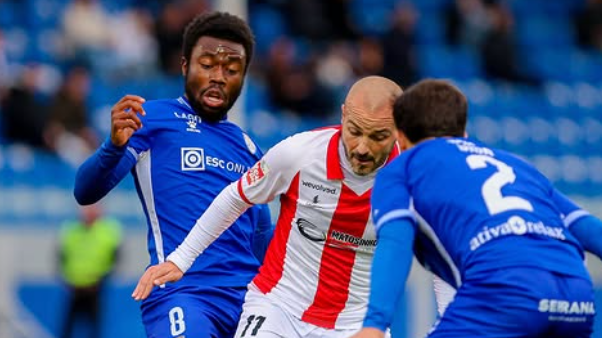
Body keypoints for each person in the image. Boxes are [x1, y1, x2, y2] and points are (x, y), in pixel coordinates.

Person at [132, 75, 403, 338]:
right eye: (354, 132)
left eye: (378, 136)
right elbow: (235, 197)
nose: (363, 148)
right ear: (343, 115)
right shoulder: (300, 154)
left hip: (356, 322)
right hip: (279, 308)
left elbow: (443, 255)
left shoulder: (416, 179)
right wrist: (182, 258)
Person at [73, 11, 273, 338]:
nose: (218, 77)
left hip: (251, 303)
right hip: (184, 291)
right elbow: (85, 191)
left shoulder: (249, 148)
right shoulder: (151, 118)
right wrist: (113, 147)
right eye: (207, 65)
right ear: (185, 66)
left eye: (231, 69)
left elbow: (261, 231)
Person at [351, 79, 602, 338]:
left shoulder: (403, 169)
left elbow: (395, 240)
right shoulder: (517, 166)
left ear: (400, 138)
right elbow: (584, 225)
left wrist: (375, 324)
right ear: (464, 133)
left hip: (505, 290)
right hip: (576, 297)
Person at [58, 203, 122, 338]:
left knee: (95, 328)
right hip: (74, 288)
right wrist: (66, 278)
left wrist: (103, 278)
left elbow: (115, 258)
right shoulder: (71, 230)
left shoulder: (109, 231)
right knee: (67, 328)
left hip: (95, 288)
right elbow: (61, 256)